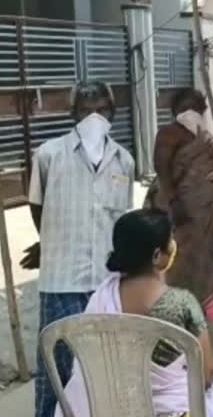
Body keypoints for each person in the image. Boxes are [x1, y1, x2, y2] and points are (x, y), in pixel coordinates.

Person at [54, 209, 213, 417]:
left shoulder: (101, 297)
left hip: (103, 409)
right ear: (157, 255)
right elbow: (206, 375)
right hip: (172, 412)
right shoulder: (182, 304)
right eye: (170, 241)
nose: (174, 246)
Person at [26, 81, 135, 417]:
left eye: (101, 110)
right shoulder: (48, 155)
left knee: (102, 367)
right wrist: (52, 241)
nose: (93, 117)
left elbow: (122, 220)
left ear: (112, 114)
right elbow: (37, 206)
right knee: (55, 371)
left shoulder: (124, 162)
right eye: (86, 111)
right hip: (61, 282)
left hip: (105, 281)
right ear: (73, 114)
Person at [145, 88, 213, 304]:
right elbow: (162, 169)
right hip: (181, 211)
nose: (192, 112)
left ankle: (201, 302)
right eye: (187, 107)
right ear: (175, 110)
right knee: (177, 259)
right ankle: (173, 302)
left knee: (205, 260)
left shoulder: (205, 137)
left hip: (208, 212)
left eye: (197, 107)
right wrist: (173, 202)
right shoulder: (169, 133)